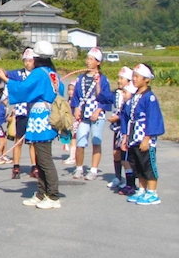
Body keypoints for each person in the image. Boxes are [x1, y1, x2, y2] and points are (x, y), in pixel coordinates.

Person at [0, 41, 64, 209]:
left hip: (41, 117)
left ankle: (52, 196)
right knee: (40, 157)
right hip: (47, 115)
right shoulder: (52, 73)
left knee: (44, 159)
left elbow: (23, 88)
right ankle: (41, 193)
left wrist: (4, 79)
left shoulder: (39, 73)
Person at [119, 64, 166, 205]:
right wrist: (125, 136)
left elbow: (153, 118)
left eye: (137, 77)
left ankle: (152, 192)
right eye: (133, 76)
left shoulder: (149, 97)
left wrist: (147, 138)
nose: (134, 79)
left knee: (147, 165)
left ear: (146, 80)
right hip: (133, 136)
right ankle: (142, 189)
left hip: (144, 136)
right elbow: (126, 115)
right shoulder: (135, 96)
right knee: (137, 164)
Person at [70, 47, 114, 181]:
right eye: (87, 58)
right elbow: (76, 95)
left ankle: (93, 169)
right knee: (80, 141)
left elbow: (106, 98)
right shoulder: (80, 78)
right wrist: (76, 107)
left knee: (96, 140)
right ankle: (79, 168)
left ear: (98, 62)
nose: (88, 61)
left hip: (96, 113)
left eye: (91, 59)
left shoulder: (103, 79)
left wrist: (99, 110)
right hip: (83, 113)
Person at [7, 48, 37, 179]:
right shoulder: (18, 74)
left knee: (32, 142)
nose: (27, 63)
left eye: (30, 60)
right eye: (26, 60)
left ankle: (34, 166)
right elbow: (5, 74)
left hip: (35, 111)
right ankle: (16, 166)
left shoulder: (38, 74)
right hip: (21, 111)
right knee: (18, 140)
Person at [107, 66, 135, 192]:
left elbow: (128, 114)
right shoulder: (116, 93)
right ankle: (118, 177)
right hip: (118, 129)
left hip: (126, 130)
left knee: (126, 157)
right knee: (116, 154)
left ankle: (131, 181)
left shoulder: (133, 95)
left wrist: (117, 117)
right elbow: (102, 97)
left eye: (121, 78)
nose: (119, 80)